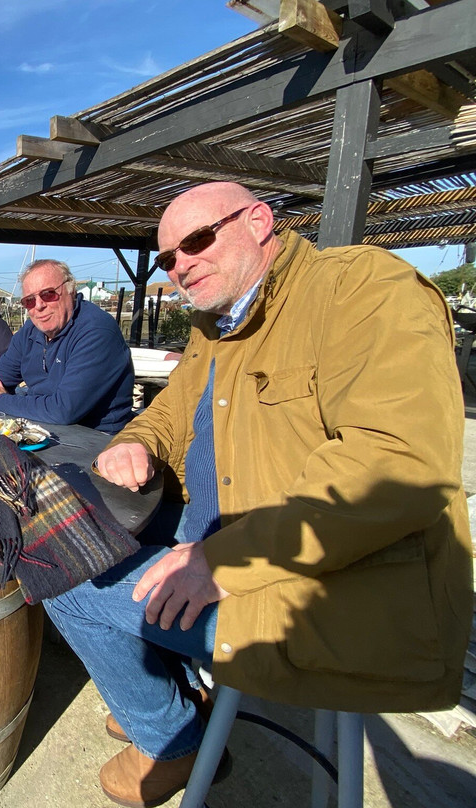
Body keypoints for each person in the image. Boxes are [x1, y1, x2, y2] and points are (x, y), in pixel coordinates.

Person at [43, 182, 472, 806]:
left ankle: (172, 739)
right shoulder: (220, 323)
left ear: (259, 221)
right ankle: (171, 694)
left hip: (335, 590)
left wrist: (220, 561)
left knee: (64, 576)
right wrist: (134, 442)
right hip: (232, 536)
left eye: (194, 241)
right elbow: (170, 410)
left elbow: (397, 463)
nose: (180, 264)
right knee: (78, 535)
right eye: (166, 258)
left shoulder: (363, 289)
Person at [0, 259, 134, 433]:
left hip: (97, 439)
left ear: (70, 291)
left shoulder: (96, 331)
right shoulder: (32, 329)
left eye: (48, 294)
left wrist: (2, 401)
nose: (38, 305)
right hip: (43, 430)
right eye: (29, 300)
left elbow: (64, 410)